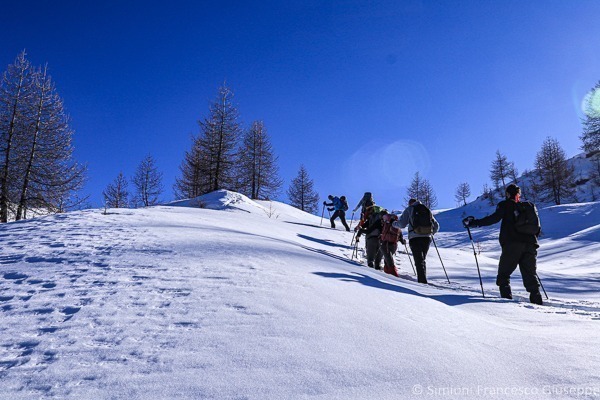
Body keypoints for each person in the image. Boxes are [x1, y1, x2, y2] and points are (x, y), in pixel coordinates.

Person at [462, 184, 543, 305]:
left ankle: (505, 303)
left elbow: (493, 219)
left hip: (512, 244)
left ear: (508, 194)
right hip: (531, 244)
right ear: (519, 194)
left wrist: (474, 223)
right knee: (530, 273)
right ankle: (537, 299)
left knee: (504, 274)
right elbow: (537, 228)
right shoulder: (529, 206)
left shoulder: (505, 205)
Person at [393, 199, 439, 284]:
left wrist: (393, 224)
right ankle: (423, 279)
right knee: (422, 259)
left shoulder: (410, 209)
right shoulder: (426, 209)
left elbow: (402, 224)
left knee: (418, 260)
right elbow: (436, 225)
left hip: (414, 237)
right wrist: (430, 233)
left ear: (410, 203)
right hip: (426, 238)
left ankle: (422, 282)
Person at [355, 204, 385, 269]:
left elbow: (362, 227)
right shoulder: (382, 219)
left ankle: (370, 270)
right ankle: (378, 269)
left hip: (371, 238)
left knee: (370, 257)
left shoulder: (371, 218)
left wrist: (358, 235)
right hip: (381, 239)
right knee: (378, 258)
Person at [380, 212, 406, 277]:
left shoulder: (387, 224)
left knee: (388, 260)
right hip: (394, 245)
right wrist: (403, 242)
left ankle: (393, 275)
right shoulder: (397, 226)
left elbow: (383, 233)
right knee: (388, 259)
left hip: (386, 244)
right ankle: (388, 274)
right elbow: (400, 237)